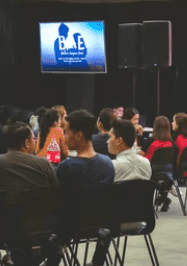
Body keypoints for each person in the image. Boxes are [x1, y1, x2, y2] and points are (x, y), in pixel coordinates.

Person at [0, 122, 59, 266]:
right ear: (27, 142)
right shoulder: (44, 164)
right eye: (34, 138)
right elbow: (55, 194)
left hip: (6, 231)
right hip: (43, 228)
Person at [56, 110, 115, 266]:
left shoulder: (67, 167)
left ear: (79, 134)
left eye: (67, 131)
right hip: (101, 225)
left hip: (70, 226)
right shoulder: (108, 163)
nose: (65, 136)